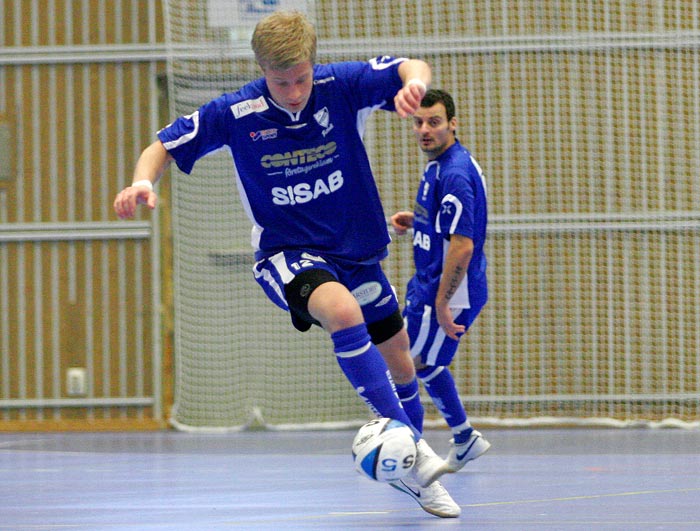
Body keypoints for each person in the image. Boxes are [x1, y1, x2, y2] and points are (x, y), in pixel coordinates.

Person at [114, 11, 460, 519]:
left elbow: (413, 66)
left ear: (312, 66)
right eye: (282, 81)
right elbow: (161, 146)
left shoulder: (338, 85)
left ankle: (411, 468)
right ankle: (418, 451)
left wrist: (416, 84)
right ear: (261, 70)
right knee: (341, 312)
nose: (294, 91)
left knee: (402, 360)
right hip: (288, 254)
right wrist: (144, 182)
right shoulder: (236, 112)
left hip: (357, 250)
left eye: (300, 79)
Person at [390, 89, 491, 473]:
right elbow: (449, 228)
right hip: (431, 284)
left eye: (434, 122)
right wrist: (418, 223)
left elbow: (463, 246)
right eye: (418, 122)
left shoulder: (454, 172)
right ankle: (464, 438)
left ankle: (405, 454)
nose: (424, 130)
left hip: (443, 288)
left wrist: (443, 303)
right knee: (425, 363)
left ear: (453, 123)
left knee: (400, 361)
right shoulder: (437, 165)